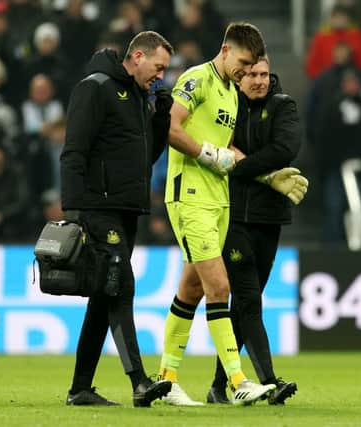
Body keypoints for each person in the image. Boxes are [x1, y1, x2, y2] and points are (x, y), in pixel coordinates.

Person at [158, 22, 306, 406]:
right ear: (225, 50)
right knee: (220, 287)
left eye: (254, 66)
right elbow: (169, 128)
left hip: (219, 198)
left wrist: (271, 177)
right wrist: (205, 153)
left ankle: (166, 378)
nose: (246, 71)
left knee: (190, 290)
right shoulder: (197, 79)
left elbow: (230, 153)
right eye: (243, 63)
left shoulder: (229, 92)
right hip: (190, 196)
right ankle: (238, 381)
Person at [59, 31, 174, 407]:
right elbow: (73, 149)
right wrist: (73, 209)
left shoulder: (141, 97)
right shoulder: (96, 87)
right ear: (137, 56)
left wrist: (162, 118)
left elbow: (146, 158)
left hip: (126, 209)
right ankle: (139, 382)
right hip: (97, 207)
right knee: (121, 285)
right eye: (158, 67)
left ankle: (80, 389)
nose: (161, 75)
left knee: (103, 292)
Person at [204, 56, 301, 405]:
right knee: (248, 299)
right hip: (230, 216)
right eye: (252, 75)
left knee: (244, 306)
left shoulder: (283, 106)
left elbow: (284, 150)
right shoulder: (225, 104)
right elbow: (212, 148)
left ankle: (219, 386)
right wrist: (259, 169)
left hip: (269, 219)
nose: (259, 80)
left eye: (264, 74)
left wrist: (240, 163)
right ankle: (269, 381)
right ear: (240, 76)